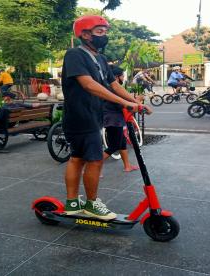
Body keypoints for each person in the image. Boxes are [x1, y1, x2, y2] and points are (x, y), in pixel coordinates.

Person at [61, 15, 152, 220]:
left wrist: (135, 102)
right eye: (99, 32)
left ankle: (72, 203)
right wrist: (125, 104)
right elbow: (89, 84)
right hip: (80, 116)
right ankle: (91, 204)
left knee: (77, 158)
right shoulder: (75, 54)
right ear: (85, 34)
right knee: (93, 160)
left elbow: (114, 85)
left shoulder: (101, 59)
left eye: (105, 32)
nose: (105, 36)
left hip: (93, 115)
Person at [103, 65, 140, 172]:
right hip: (113, 120)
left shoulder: (110, 87)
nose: (123, 78)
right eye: (122, 76)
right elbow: (125, 105)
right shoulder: (113, 88)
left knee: (122, 142)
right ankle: (94, 167)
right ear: (116, 77)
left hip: (115, 119)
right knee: (114, 147)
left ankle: (127, 166)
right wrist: (137, 100)